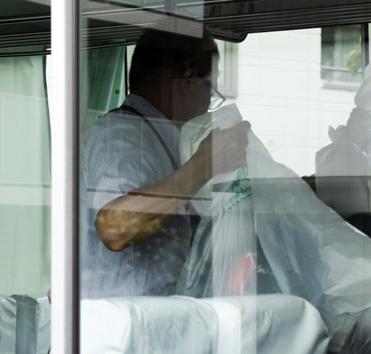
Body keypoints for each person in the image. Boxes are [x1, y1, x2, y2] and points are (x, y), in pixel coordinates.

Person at [80, 27, 250, 298]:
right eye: (211, 86)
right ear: (188, 77)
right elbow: (115, 227)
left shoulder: (162, 138)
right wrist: (205, 164)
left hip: (154, 325)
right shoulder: (123, 135)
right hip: (116, 331)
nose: (209, 101)